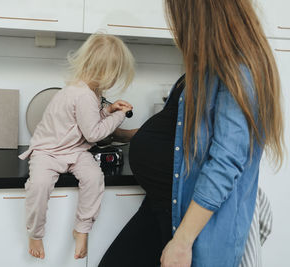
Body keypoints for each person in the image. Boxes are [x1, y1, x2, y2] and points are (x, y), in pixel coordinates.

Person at [98, 0, 284, 266]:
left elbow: (225, 162)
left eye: (179, 15)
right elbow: (177, 132)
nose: (177, 26)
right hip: (164, 205)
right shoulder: (205, 67)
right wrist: (122, 134)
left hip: (191, 224)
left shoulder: (239, 69)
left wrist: (183, 241)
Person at [18, 33, 134, 260]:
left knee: (93, 178)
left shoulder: (83, 91)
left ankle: (82, 228)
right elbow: (94, 134)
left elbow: (85, 121)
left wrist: (108, 111)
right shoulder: (84, 96)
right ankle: (35, 233)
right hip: (48, 151)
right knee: (39, 185)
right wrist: (119, 116)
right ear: (106, 72)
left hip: (74, 150)